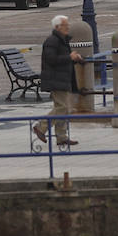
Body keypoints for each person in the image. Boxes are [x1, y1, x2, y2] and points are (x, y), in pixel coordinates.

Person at [36, 15, 84, 146]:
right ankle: (41, 126)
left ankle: (61, 137)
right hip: (55, 79)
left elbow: (63, 58)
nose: (68, 27)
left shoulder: (62, 40)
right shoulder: (52, 41)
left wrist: (74, 58)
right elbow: (51, 59)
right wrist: (69, 57)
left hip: (62, 79)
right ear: (57, 27)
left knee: (64, 108)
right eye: (65, 25)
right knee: (62, 108)